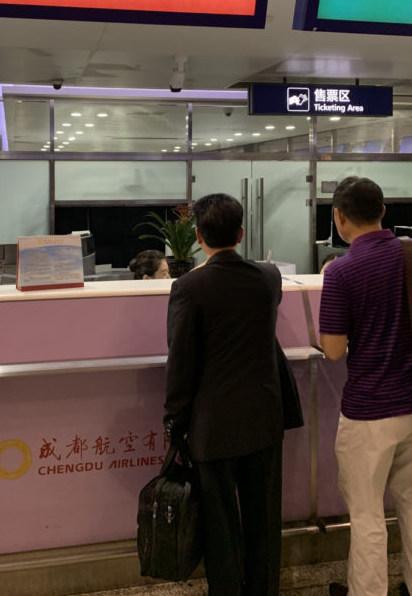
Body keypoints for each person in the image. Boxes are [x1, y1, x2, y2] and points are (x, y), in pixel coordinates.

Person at [164, 193, 284, 596]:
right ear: (242, 233)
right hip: (265, 418)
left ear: (197, 236)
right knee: (263, 519)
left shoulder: (188, 286)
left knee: (221, 524)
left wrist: (174, 421)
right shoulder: (269, 277)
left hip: (212, 425)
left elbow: (179, 361)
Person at [319, 177, 412, 596]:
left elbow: (334, 351)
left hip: (369, 411)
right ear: (383, 211)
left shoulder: (341, 271)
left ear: (339, 218)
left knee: (367, 515)